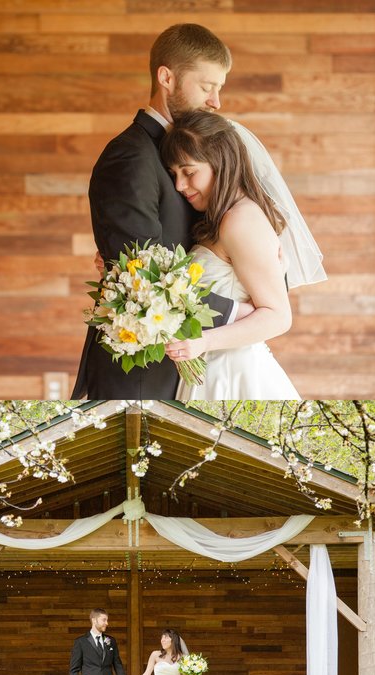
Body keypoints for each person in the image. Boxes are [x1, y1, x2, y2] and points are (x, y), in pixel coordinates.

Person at [71, 24, 243, 400]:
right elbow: (143, 276)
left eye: (219, 89)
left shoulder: (178, 153)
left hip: (184, 357)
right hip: (141, 368)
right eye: (207, 86)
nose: (216, 102)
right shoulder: (130, 155)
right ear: (167, 77)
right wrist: (241, 313)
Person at [160, 110, 305, 400]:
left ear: (221, 163)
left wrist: (203, 342)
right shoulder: (221, 218)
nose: (179, 185)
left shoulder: (240, 220)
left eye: (188, 172)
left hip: (231, 370)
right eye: (174, 174)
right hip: (209, 367)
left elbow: (278, 317)